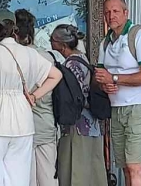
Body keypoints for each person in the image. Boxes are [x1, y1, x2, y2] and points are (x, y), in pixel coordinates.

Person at [0, 9, 64, 186]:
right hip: (22, 122)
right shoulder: (29, 53)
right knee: (17, 180)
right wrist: (33, 96)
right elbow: (56, 75)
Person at [94, 0, 141, 186]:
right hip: (117, 108)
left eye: (115, 11)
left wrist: (114, 79)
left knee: (134, 165)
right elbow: (101, 77)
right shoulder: (106, 43)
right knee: (125, 166)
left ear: (126, 13)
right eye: (107, 12)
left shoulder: (140, 36)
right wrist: (105, 84)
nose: (111, 16)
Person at [50, 24, 105, 186]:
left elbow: (78, 96)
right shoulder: (82, 58)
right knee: (91, 170)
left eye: (52, 40)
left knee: (76, 170)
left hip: (78, 125)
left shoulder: (71, 65)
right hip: (91, 124)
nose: (50, 42)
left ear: (62, 45)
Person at [15, 9, 60, 186]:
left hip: (19, 127)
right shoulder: (46, 57)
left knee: (25, 179)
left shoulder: (11, 57)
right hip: (45, 125)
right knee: (48, 178)